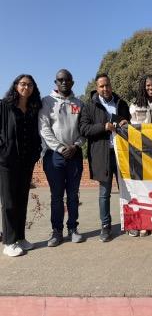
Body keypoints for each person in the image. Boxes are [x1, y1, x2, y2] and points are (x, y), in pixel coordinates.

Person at [79, 73, 130, 242]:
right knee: (104, 192)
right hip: (103, 154)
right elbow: (84, 129)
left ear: (111, 85)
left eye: (107, 85)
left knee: (127, 189)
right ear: (97, 88)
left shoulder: (121, 103)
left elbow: (129, 121)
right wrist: (103, 126)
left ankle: (131, 223)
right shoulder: (89, 106)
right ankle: (105, 227)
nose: (105, 88)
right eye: (101, 86)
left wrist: (125, 122)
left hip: (122, 152)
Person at [38, 69, 85, 247]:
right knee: (56, 196)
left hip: (74, 154)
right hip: (53, 156)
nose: (63, 82)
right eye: (60, 80)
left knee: (73, 195)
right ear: (55, 82)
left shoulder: (79, 103)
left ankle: (73, 228)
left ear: (72, 82)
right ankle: (56, 231)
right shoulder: (46, 102)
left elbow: (84, 130)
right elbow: (43, 129)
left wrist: (76, 145)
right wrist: (59, 147)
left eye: (67, 80)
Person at [0, 75, 42, 256]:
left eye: (30, 85)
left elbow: (35, 134)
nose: (26, 87)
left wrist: (36, 152)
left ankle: (20, 238)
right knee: (9, 202)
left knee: (22, 200)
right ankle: (9, 242)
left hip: (26, 162)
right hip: (7, 162)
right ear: (16, 86)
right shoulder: (4, 106)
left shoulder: (33, 109)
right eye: (23, 84)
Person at [129, 74, 152, 237]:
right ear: (143, 86)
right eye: (148, 86)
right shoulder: (135, 106)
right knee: (143, 189)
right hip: (141, 154)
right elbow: (132, 128)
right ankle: (144, 224)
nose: (151, 88)